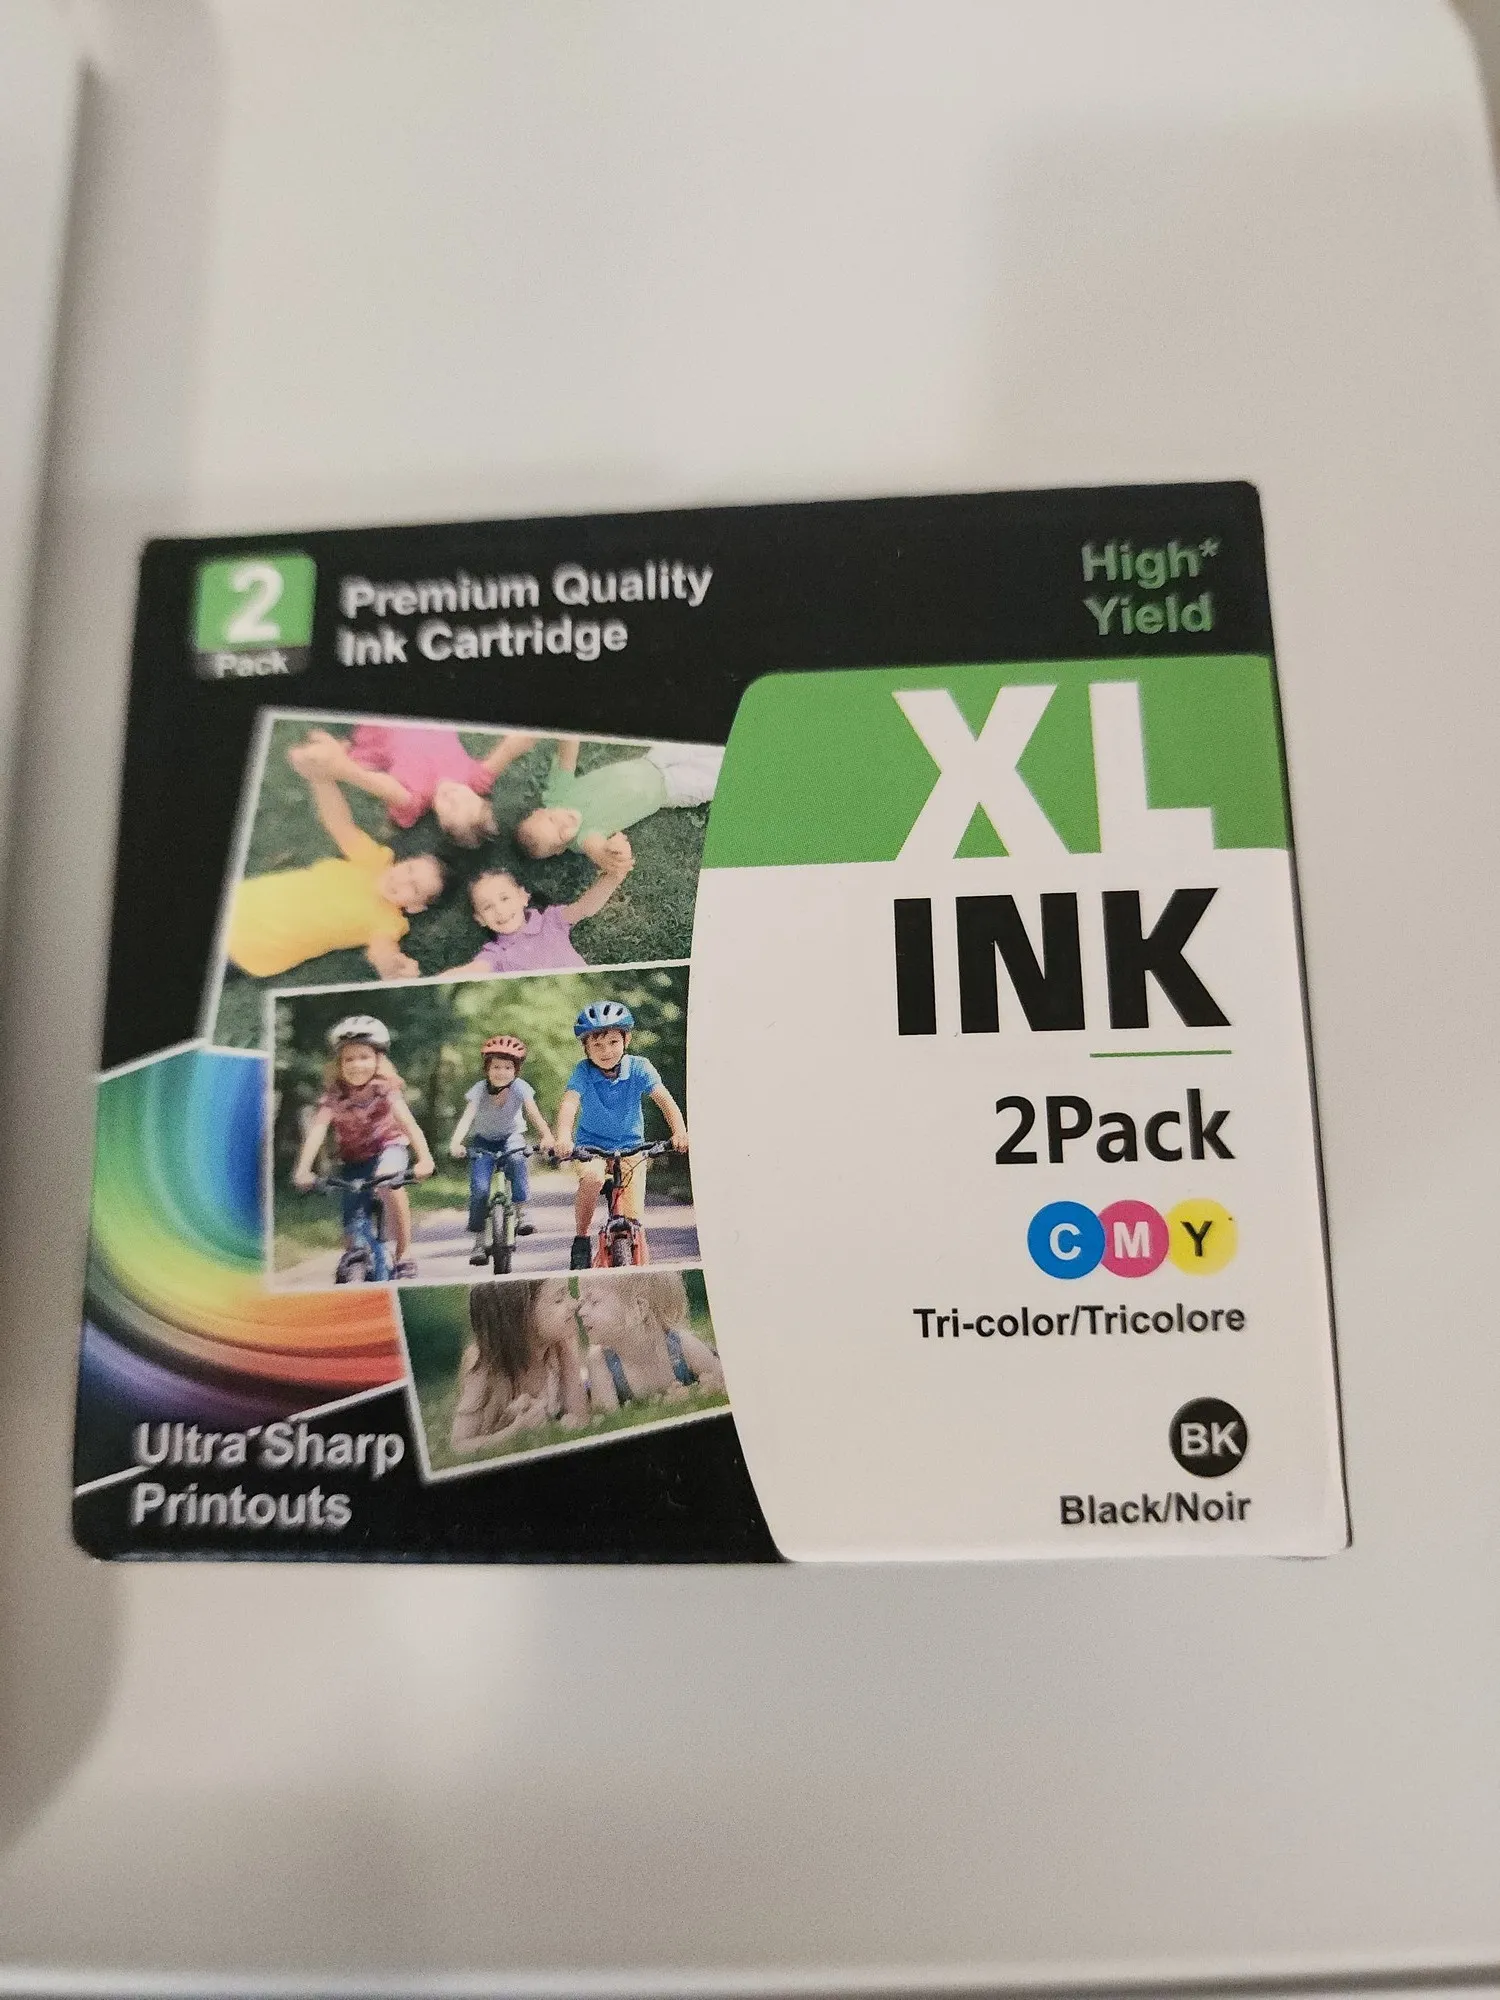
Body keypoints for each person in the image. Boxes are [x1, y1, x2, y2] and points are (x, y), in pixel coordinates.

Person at [227, 742, 444, 980]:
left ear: (415, 907)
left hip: (250, 950)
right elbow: (339, 825)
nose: (402, 880)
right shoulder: (375, 861)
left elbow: (381, 949)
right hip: (245, 898)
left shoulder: (390, 922)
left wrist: (389, 965)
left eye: (414, 888)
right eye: (409, 869)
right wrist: (322, 779)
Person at [290, 1015, 435, 1280]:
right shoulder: (334, 1095)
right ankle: (355, 1266)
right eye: (349, 1059)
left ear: (379, 1060)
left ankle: (404, 1254)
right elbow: (318, 1130)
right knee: (352, 1229)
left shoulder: (386, 1089)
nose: (356, 1065)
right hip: (354, 1160)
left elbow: (408, 1124)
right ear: (339, 1064)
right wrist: (303, 1169)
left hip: (389, 1147)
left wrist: (425, 1159)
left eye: (364, 1057)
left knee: (387, 1180)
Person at [552, 1000, 688, 1269]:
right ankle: (581, 1240)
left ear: (627, 1040)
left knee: (634, 1218)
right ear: (586, 1048)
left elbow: (664, 1100)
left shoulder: (640, 1067)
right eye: (597, 1045)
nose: (606, 1051)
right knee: (592, 1178)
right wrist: (564, 1137)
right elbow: (569, 1103)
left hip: (631, 1147)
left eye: (613, 1042)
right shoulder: (583, 1071)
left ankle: (639, 1267)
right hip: (590, 1147)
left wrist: (680, 1132)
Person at [290, 723, 537, 847]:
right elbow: (506, 752)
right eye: (465, 799)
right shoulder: (474, 780)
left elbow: (388, 789)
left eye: (451, 809)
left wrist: (343, 769)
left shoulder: (415, 801)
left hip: (381, 731)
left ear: (441, 822)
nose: (453, 797)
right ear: (476, 794)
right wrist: (517, 742)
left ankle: (341, 752)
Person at [513, 736, 723, 861]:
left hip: (653, 760)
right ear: (560, 849)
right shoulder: (581, 838)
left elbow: (566, 758)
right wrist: (608, 854)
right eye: (560, 835)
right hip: (672, 787)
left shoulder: (557, 795)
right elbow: (596, 848)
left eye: (552, 820)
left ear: (543, 810)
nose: (564, 823)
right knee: (719, 775)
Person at [440, 843, 633, 977]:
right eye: (487, 907)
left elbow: (584, 908)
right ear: (480, 919)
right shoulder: (495, 954)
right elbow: (475, 970)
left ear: (523, 897)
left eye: (505, 898)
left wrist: (613, 878)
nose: (499, 910)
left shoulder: (550, 921)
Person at [447, 1034, 556, 1264]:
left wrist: (546, 1135)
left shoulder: (520, 1088)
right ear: (487, 1069)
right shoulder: (479, 1090)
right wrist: (456, 1142)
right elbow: (467, 1117)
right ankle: (478, 1241)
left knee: (517, 1160)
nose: (501, 1072)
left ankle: (522, 1211)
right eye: (496, 1067)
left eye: (508, 1067)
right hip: (483, 1141)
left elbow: (533, 1113)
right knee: (480, 1190)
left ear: (516, 1070)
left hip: (511, 1138)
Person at [449, 1278, 588, 1451]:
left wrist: (571, 1423)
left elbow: (581, 1417)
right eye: (559, 1299)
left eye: (568, 1294)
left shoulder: (560, 1345)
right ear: (519, 1315)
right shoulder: (483, 1362)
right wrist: (515, 1432)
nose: (574, 1304)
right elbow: (460, 1445)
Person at [578, 1269, 724, 1409]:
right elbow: (608, 1418)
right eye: (582, 1303)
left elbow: (725, 1387)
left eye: (594, 1302)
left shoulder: (684, 1346)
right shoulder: (600, 1361)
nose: (581, 1312)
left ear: (639, 1308)